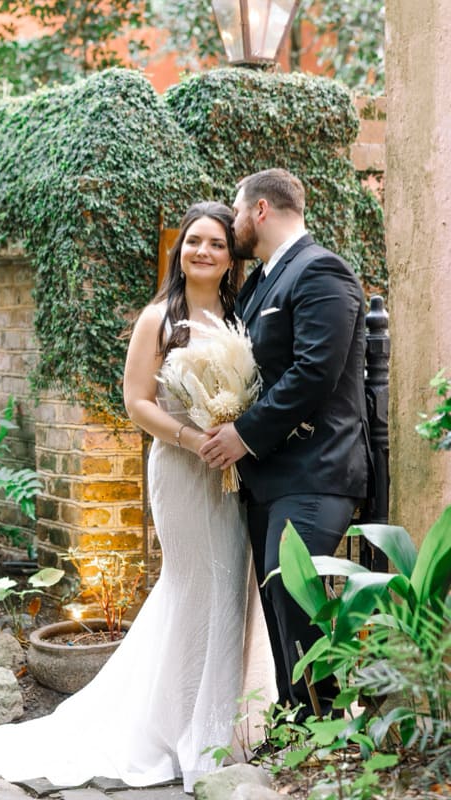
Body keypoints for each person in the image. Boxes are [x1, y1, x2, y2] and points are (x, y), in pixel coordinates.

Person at [0, 202, 276, 793]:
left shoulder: (240, 316)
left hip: (228, 473)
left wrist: (232, 433)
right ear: (181, 251)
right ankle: (178, 728)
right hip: (181, 469)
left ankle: (215, 724)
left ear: (231, 258)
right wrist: (192, 436)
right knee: (193, 583)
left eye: (216, 245)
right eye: (193, 242)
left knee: (228, 583)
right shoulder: (160, 318)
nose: (203, 252)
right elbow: (137, 403)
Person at [200, 168, 369, 717]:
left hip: (316, 472)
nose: (233, 219)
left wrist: (243, 434)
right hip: (267, 479)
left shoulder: (322, 271)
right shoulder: (260, 281)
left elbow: (314, 371)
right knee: (277, 609)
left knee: (296, 599)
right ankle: (298, 726)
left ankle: (328, 730)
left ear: (262, 210)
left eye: (236, 208)